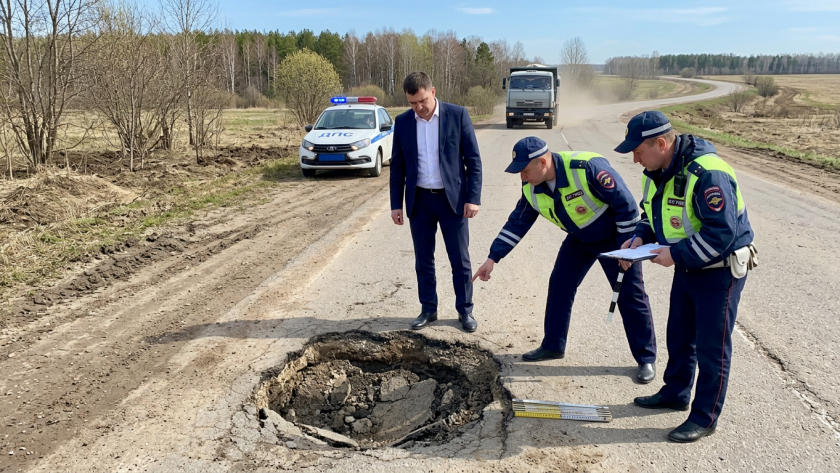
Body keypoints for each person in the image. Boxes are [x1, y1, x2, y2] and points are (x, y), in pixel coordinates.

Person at [615, 111, 755, 443]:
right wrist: (640, 237)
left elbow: (721, 233)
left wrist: (675, 254)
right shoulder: (656, 170)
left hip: (720, 271)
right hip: (691, 265)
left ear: (661, 143)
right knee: (679, 335)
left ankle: (705, 417)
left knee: (712, 347)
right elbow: (650, 212)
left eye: (638, 151)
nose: (634, 159)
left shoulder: (708, 173)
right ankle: (676, 392)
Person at [472, 136, 657, 383]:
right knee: (560, 285)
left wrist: (627, 250)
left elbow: (627, 207)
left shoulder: (587, 168)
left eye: (526, 170)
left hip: (615, 237)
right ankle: (553, 345)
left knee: (629, 294)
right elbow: (517, 223)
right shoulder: (531, 189)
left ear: (544, 161)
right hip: (580, 238)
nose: (522, 177)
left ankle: (646, 359)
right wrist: (492, 258)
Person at [390, 71, 482, 332]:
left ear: (433, 91)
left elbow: (473, 161)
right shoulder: (404, 122)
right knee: (423, 260)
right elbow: (397, 166)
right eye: (412, 103)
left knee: (460, 260)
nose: (418, 108)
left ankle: (465, 311)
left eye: (422, 101)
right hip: (419, 202)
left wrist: (473, 198)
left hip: (451, 201)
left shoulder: (458, 115)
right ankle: (428, 309)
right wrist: (396, 204)